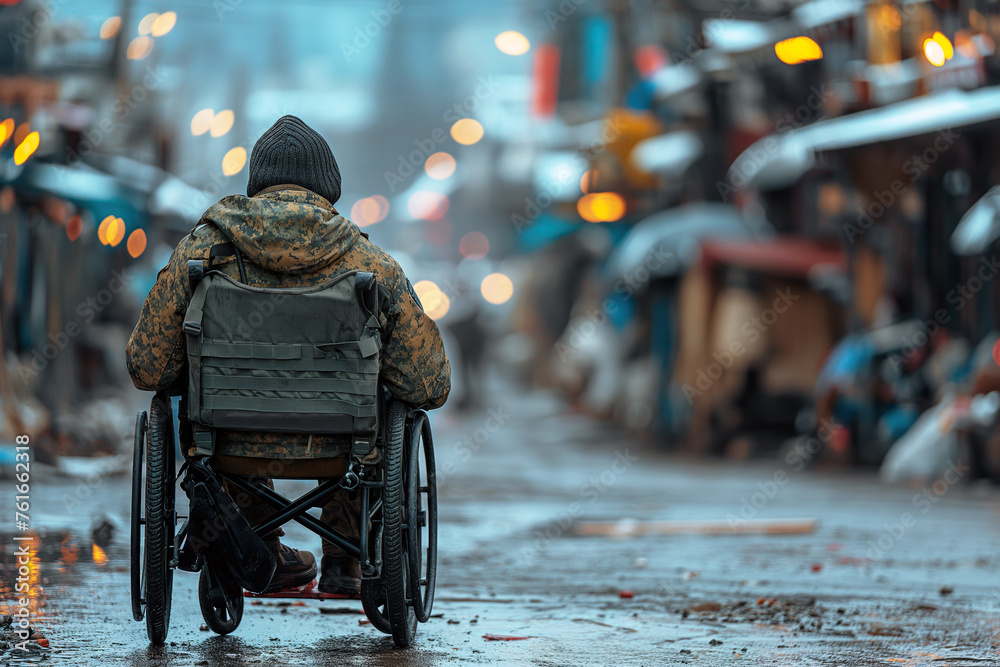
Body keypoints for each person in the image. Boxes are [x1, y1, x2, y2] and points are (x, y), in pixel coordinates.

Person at [126, 115, 451, 594]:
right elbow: (427, 384)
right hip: (343, 449)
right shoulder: (369, 262)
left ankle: (252, 545)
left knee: (209, 409)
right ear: (328, 187)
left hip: (228, 446)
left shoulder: (203, 251)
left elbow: (148, 366)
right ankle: (346, 555)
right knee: (383, 397)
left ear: (257, 184)